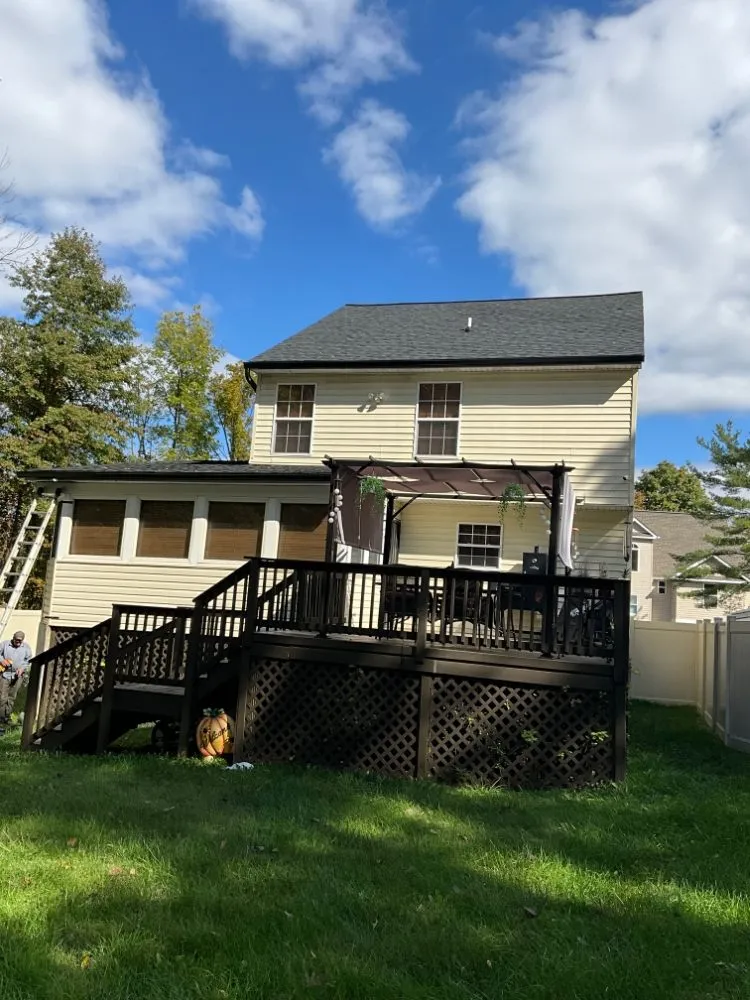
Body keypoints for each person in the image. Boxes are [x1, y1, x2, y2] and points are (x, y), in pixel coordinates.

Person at [0, 630, 33, 733]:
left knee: (11, 697)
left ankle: (6, 717)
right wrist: (2, 660)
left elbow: (28, 660)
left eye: (20, 641)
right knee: (2, 697)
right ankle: (1, 717)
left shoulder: (26, 648)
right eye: (16, 640)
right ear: (13, 638)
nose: (18, 642)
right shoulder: (5, 644)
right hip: (4, 674)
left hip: (17, 676)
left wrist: (22, 668)